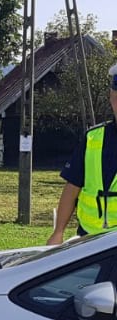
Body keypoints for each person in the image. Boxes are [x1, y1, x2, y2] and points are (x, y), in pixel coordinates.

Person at [47, 62, 117, 245]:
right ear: (111, 97)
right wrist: (58, 232)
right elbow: (73, 186)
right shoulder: (93, 137)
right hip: (88, 240)